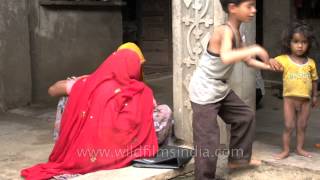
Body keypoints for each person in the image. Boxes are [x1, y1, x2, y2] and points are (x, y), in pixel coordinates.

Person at [21, 43, 160, 179]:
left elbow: (52, 90)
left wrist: (80, 81)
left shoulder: (89, 82)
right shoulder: (142, 91)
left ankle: (65, 142)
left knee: (70, 98)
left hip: (83, 150)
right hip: (118, 149)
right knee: (161, 112)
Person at [188, 0, 282, 179]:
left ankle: (238, 160)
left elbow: (247, 61)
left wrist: (269, 65)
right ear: (232, 8)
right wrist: (254, 48)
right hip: (204, 90)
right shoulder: (223, 31)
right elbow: (226, 56)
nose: (254, 10)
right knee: (208, 142)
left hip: (219, 88)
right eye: (249, 6)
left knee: (244, 116)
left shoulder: (239, 34)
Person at [273, 21, 318, 159]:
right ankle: (286, 150)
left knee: (302, 126)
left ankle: (299, 148)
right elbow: (271, 62)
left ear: (308, 44)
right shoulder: (284, 59)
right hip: (289, 99)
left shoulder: (311, 63)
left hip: (306, 100)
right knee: (288, 126)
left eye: (304, 42)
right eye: (296, 41)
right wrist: (269, 60)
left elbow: (314, 80)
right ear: (289, 43)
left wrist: (315, 96)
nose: (300, 45)